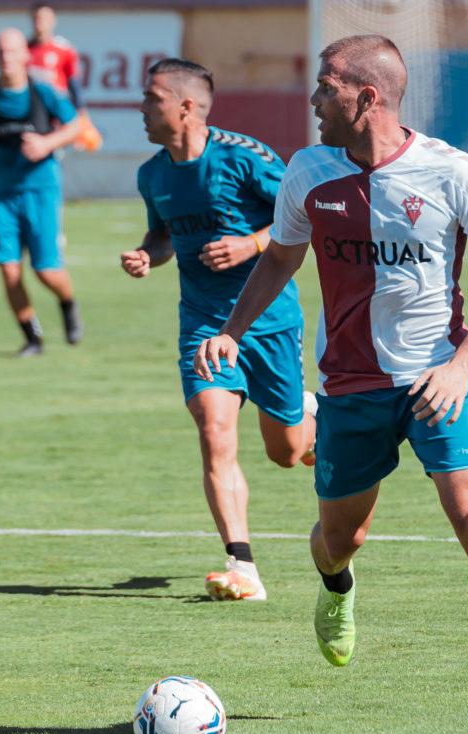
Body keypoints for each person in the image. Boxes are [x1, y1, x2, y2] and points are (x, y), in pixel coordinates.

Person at [192, 35, 468, 734]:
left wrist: (461, 366)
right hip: (350, 388)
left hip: (437, 382)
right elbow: (283, 257)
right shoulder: (309, 171)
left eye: (326, 87)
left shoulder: (453, 173)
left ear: (367, 97)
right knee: (338, 541)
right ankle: (335, 586)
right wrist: (234, 328)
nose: (313, 100)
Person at [121, 58, 316, 602]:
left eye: (151, 98)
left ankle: (310, 416)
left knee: (285, 451)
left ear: (186, 106)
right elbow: (162, 235)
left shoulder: (244, 157)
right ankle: (243, 566)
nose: (141, 107)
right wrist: (147, 253)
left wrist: (251, 244)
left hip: (269, 321)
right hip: (204, 325)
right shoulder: (152, 174)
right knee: (214, 431)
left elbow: (306, 212)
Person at [0, 27, 83, 357]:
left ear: (24, 55)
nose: (6, 58)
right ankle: (33, 338)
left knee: (45, 270)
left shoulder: (43, 93)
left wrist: (47, 142)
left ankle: (67, 302)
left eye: (12, 51)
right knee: (8, 267)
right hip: (3, 192)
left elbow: (77, 126)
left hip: (41, 190)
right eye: (0, 52)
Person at [28, 3, 103, 153]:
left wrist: (82, 113)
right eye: (36, 18)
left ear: (53, 20)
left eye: (44, 18)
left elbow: (73, 84)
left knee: (54, 152)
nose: (39, 23)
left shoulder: (64, 50)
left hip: (56, 114)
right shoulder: (24, 50)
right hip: (31, 112)